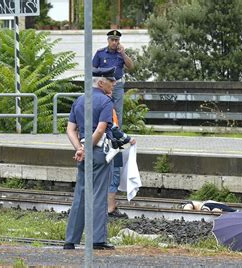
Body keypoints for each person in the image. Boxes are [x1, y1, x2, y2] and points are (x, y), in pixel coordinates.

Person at [63, 67, 118, 250]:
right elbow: (101, 129)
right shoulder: (105, 101)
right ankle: (96, 240)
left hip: (83, 153)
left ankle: (71, 239)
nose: (114, 84)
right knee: (99, 194)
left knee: (81, 193)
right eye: (111, 81)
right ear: (101, 83)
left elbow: (70, 129)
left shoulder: (79, 100)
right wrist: (87, 148)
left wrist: (79, 148)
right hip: (98, 152)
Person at [92, 29, 134, 217]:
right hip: (104, 85)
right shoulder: (101, 54)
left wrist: (124, 53)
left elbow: (131, 67)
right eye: (112, 39)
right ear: (108, 40)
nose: (114, 42)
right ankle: (114, 132)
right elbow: (92, 70)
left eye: (117, 40)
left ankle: (116, 130)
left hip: (118, 85)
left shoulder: (120, 55)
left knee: (116, 112)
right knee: (106, 110)